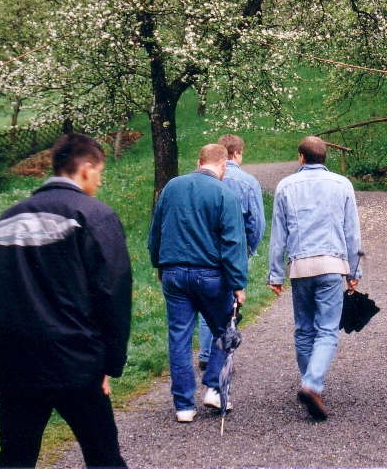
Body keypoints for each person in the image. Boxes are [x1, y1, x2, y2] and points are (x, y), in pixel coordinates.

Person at [0, 133, 132, 468]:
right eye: (99, 172)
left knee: (16, 459)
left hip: (15, 364)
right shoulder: (94, 215)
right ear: (86, 169)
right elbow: (112, 292)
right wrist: (110, 364)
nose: (99, 182)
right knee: (103, 458)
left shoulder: (7, 219)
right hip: (75, 361)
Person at [148, 144, 248, 423]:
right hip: (210, 276)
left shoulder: (171, 187)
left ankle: (183, 406)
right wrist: (238, 284)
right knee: (225, 329)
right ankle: (214, 388)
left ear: (199, 161)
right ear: (224, 165)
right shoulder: (225, 195)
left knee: (179, 337)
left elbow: (156, 230)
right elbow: (232, 243)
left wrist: (159, 263)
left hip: (174, 273)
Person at [268, 136, 363, 421]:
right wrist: (354, 271)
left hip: (300, 267)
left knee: (304, 329)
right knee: (327, 330)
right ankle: (312, 385)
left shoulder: (285, 186)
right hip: (332, 264)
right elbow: (352, 232)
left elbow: (278, 235)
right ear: (324, 157)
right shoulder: (342, 184)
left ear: (301, 157)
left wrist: (276, 274)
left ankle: (309, 383)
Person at [196, 134, 266, 371]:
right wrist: (249, 247)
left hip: (205, 250)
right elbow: (257, 223)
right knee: (229, 304)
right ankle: (222, 356)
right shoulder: (248, 182)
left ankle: (206, 354)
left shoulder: (201, 180)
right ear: (235, 154)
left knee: (208, 303)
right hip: (235, 248)